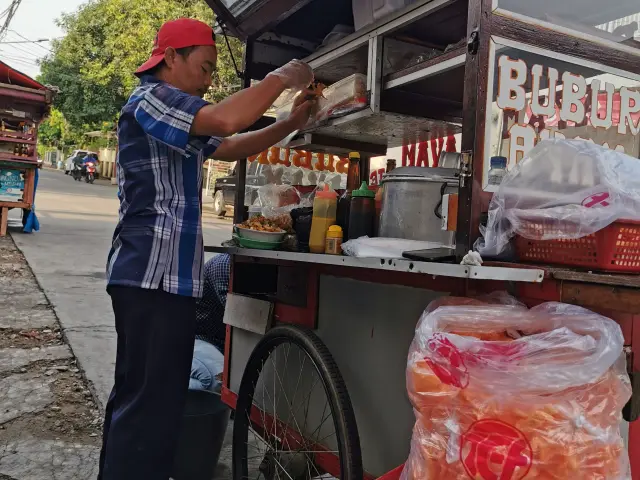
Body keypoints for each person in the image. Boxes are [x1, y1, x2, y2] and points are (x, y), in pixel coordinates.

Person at [100, 18, 316, 480]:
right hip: (149, 276)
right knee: (148, 406)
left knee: (148, 400)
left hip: (167, 279)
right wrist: (284, 77)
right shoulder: (151, 99)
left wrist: (289, 122)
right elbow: (225, 119)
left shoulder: (180, 118)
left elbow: (231, 144)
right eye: (204, 66)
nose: (209, 79)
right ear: (171, 58)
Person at [189, 254, 230, 394]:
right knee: (217, 381)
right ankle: (159, 384)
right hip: (199, 339)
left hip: (224, 345)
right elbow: (239, 315)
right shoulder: (224, 265)